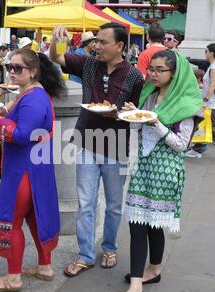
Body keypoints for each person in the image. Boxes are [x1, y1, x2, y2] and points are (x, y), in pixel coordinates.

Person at [50, 23, 145, 276]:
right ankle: (85, 255)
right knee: (86, 203)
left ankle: (110, 247)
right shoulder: (89, 64)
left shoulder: (135, 76)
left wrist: (123, 113)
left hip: (116, 145)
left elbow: (136, 113)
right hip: (87, 141)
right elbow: (57, 57)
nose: (96, 46)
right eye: (96, 41)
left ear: (120, 46)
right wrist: (56, 41)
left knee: (114, 204)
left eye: (103, 42)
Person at [109, 50, 202, 292]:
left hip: (166, 170)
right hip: (144, 166)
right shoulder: (149, 94)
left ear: (175, 73)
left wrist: (155, 123)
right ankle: (154, 269)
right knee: (143, 224)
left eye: (160, 70)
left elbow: (181, 144)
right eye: (152, 69)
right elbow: (140, 124)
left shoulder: (186, 102)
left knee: (146, 225)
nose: (153, 74)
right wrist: (132, 113)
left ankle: (136, 287)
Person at [0, 48, 65, 292]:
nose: (11, 72)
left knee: (12, 223)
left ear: (33, 71)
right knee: (36, 218)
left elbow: (23, 135)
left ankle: (13, 278)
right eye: (9, 67)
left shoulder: (34, 98)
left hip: (24, 172)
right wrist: (2, 113)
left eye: (18, 68)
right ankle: (45, 267)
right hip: (34, 170)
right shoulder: (31, 92)